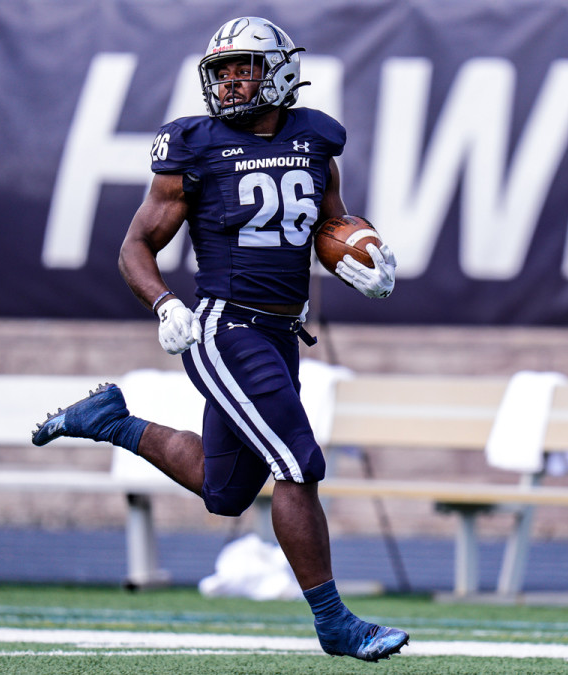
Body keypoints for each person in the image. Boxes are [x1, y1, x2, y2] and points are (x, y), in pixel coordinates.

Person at [31, 16, 407, 663]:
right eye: (221, 72)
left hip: (281, 333)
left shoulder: (316, 139)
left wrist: (367, 256)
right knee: (299, 463)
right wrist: (164, 302)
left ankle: (111, 420)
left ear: (281, 72)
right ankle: (335, 623)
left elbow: (334, 224)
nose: (230, 83)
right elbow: (135, 245)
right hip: (226, 328)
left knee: (224, 489)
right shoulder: (195, 146)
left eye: (243, 69)